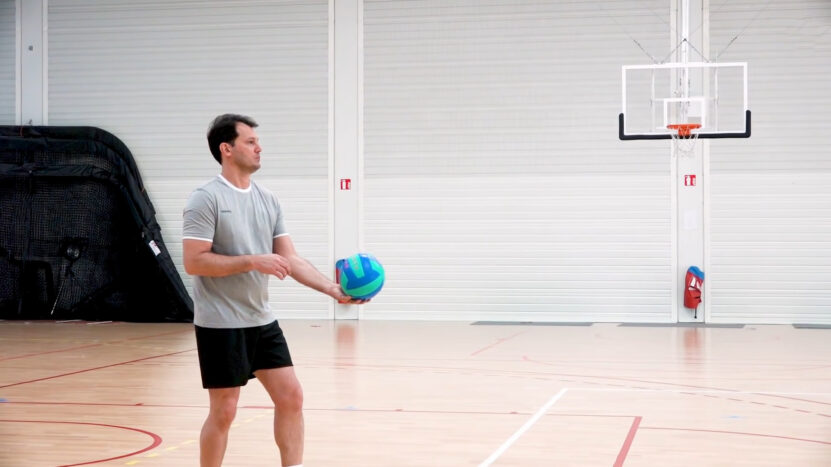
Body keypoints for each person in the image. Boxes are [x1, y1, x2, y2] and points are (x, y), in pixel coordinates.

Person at [182, 114, 365, 467]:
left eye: (257, 141)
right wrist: (253, 261)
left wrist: (333, 289)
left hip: (260, 318)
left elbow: (289, 258)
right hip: (220, 322)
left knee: (292, 396)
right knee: (224, 411)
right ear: (227, 149)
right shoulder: (204, 199)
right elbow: (195, 262)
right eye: (250, 141)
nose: (259, 147)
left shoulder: (269, 200)